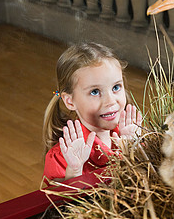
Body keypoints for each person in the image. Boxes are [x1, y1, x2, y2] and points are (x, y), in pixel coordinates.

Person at [42, 42, 142, 182]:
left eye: (116, 87)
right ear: (70, 101)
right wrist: (74, 172)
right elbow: (58, 202)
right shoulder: (63, 156)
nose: (111, 101)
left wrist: (134, 149)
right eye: (95, 92)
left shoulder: (131, 134)